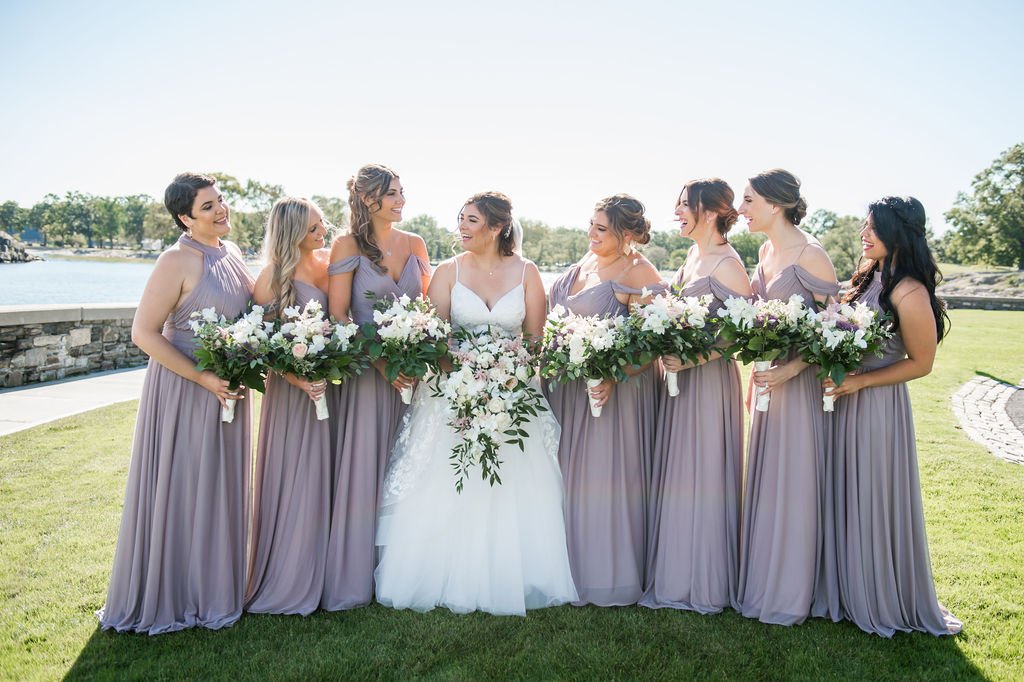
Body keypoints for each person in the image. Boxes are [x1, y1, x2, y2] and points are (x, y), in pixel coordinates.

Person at [374, 192, 577, 615]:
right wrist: (465, 377)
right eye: (460, 219)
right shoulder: (448, 271)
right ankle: (442, 572)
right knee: (448, 480)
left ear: (497, 227)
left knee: (512, 484)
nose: (462, 228)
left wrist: (504, 378)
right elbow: (434, 337)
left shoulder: (527, 272)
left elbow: (535, 341)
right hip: (453, 393)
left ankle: (512, 574)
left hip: (513, 396)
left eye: (471, 220)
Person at [98, 172, 254, 634]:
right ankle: (176, 594)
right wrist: (203, 377)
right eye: (207, 207)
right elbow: (143, 333)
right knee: (185, 484)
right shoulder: (175, 260)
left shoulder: (234, 253)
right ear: (185, 218)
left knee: (221, 484)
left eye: (220, 201)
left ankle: (215, 586)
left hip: (226, 385)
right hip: (185, 387)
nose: (220, 210)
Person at [823, 196, 962, 637]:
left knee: (871, 495)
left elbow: (922, 363)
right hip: (846, 399)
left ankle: (877, 591)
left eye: (871, 228)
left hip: (877, 407)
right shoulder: (868, 279)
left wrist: (860, 382)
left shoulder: (909, 290)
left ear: (896, 232)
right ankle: (843, 585)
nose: (863, 235)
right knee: (844, 490)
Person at [546, 194, 665, 606]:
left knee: (603, 481)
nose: (591, 234)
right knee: (566, 479)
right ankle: (560, 569)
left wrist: (614, 376)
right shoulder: (586, 262)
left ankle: (603, 576)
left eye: (601, 228)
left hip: (613, 395)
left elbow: (652, 343)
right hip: (567, 390)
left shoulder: (640, 271)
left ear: (628, 234)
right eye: (591, 225)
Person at [640, 179, 752, 613]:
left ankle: (704, 581)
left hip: (707, 382)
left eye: (684, 205)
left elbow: (744, 331)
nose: (677, 212)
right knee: (680, 475)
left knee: (703, 473)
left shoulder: (728, 264)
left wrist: (693, 359)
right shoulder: (693, 254)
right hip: (680, 382)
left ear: (709, 211)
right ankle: (676, 573)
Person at [734, 168, 840, 626]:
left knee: (793, 484)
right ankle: (764, 579)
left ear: (775, 205)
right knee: (769, 483)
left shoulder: (812, 255)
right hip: (766, 384)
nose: (741, 209)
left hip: (798, 389)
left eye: (749, 200)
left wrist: (792, 369)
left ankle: (793, 589)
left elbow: (839, 330)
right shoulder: (763, 250)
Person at [323, 164, 430, 609]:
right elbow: (339, 316)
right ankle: (355, 575)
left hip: (413, 376)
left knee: (410, 468)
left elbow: (428, 309)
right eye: (392, 194)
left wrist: (417, 351)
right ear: (368, 200)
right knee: (367, 468)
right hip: (368, 376)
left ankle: (404, 568)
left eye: (402, 192)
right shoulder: (346, 246)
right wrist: (383, 362)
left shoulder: (416, 244)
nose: (401, 201)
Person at [245, 197, 332, 615]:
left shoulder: (329, 263)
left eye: (322, 225)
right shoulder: (271, 278)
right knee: (294, 477)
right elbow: (259, 346)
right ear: (294, 234)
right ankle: (287, 572)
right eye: (314, 229)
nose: (323, 233)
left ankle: (324, 567)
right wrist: (299, 378)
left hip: (330, 387)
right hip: (292, 395)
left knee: (326, 476)